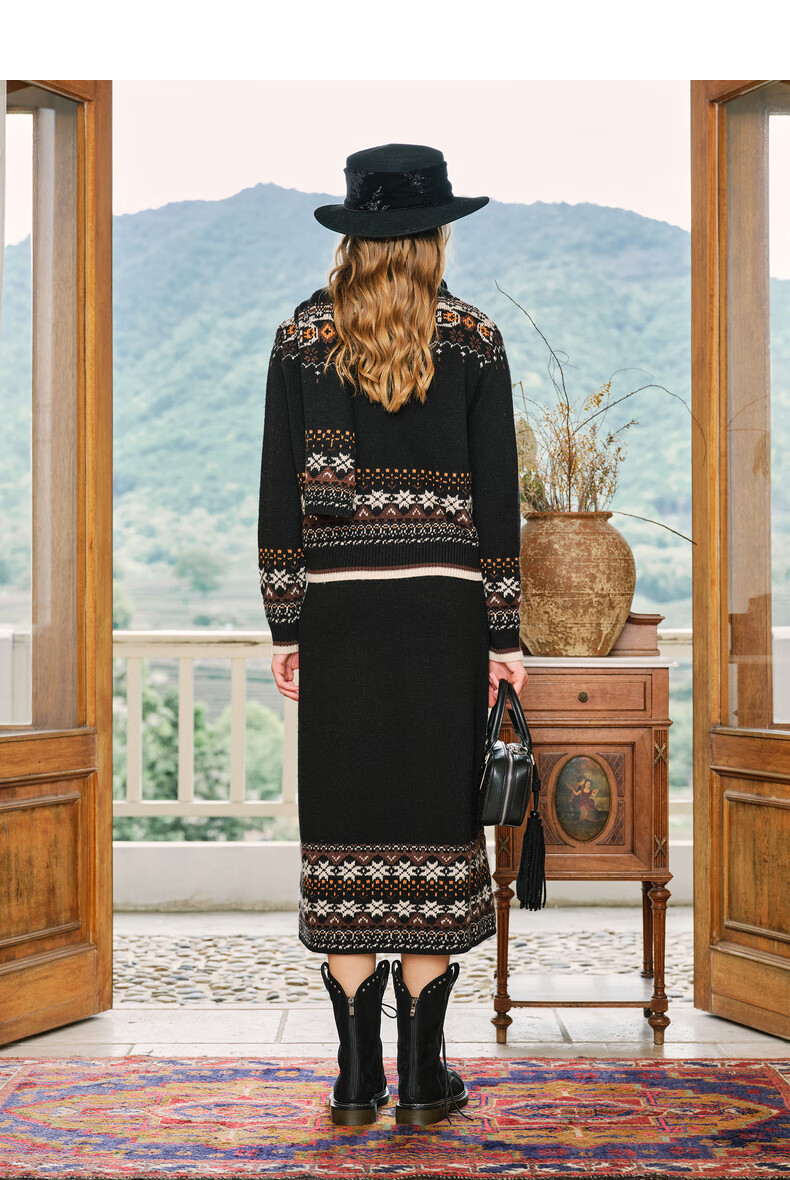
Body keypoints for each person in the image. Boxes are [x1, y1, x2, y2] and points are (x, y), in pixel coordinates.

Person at [257, 143, 527, 1128]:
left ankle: (354, 1078)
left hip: (341, 616)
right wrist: (504, 635)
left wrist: (287, 620)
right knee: (431, 827)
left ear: (355, 235)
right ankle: (422, 1078)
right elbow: (496, 502)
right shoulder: (475, 340)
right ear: (435, 234)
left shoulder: (301, 340)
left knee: (347, 829)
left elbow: (279, 488)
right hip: (442, 620)